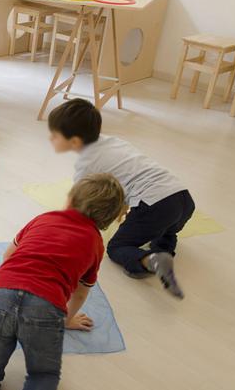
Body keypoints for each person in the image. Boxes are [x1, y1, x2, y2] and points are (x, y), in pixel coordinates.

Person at [0, 174, 126, 390]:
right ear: (106, 219)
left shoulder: (43, 218)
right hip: (45, 308)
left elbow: (8, 256)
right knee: (43, 375)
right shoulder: (95, 243)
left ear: (70, 200)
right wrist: (66, 319)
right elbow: (81, 293)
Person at [48, 98, 195, 299]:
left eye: (54, 135)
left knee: (117, 247)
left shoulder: (86, 163)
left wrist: (58, 227)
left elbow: (76, 201)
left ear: (74, 141)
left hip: (154, 205)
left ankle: (149, 261)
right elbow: (130, 171)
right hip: (182, 198)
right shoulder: (115, 141)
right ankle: (164, 250)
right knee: (164, 229)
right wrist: (124, 204)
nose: (51, 139)